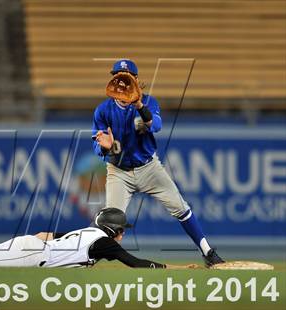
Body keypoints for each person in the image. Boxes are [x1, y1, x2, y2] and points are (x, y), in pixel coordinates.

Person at [92, 59, 224, 267]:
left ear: (135, 79)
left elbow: (156, 125)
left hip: (149, 168)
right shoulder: (103, 110)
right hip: (119, 171)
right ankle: (85, 258)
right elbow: (97, 147)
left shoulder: (149, 102)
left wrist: (139, 105)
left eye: (127, 77)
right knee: (110, 222)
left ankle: (207, 252)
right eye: (117, 76)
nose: (122, 81)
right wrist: (105, 147)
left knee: (181, 208)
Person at [0, 209, 198, 269]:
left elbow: (45, 234)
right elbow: (134, 263)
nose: (122, 234)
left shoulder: (87, 232)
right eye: (122, 229)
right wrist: (168, 270)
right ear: (113, 230)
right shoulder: (104, 242)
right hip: (33, 254)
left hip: (34, 246)